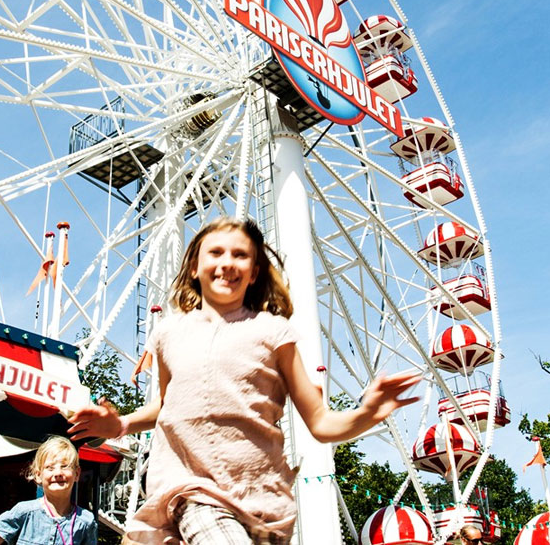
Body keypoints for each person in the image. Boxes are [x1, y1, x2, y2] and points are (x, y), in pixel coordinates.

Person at [67, 217, 421, 544]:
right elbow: (164, 405)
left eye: (240, 255)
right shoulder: (168, 333)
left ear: (253, 273)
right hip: (192, 489)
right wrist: (121, 424)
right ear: (194, 267)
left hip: (262, 501)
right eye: (216, 252)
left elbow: (321, 423)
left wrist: (367, 412)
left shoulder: (273, 332)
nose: (227, 262)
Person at [0, 436, 98, 545]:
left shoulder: (85, 521)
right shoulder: (23, 512)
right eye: (50, 468)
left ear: (77, 474)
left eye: (64, 466)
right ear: (38, 475)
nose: (58, 473)